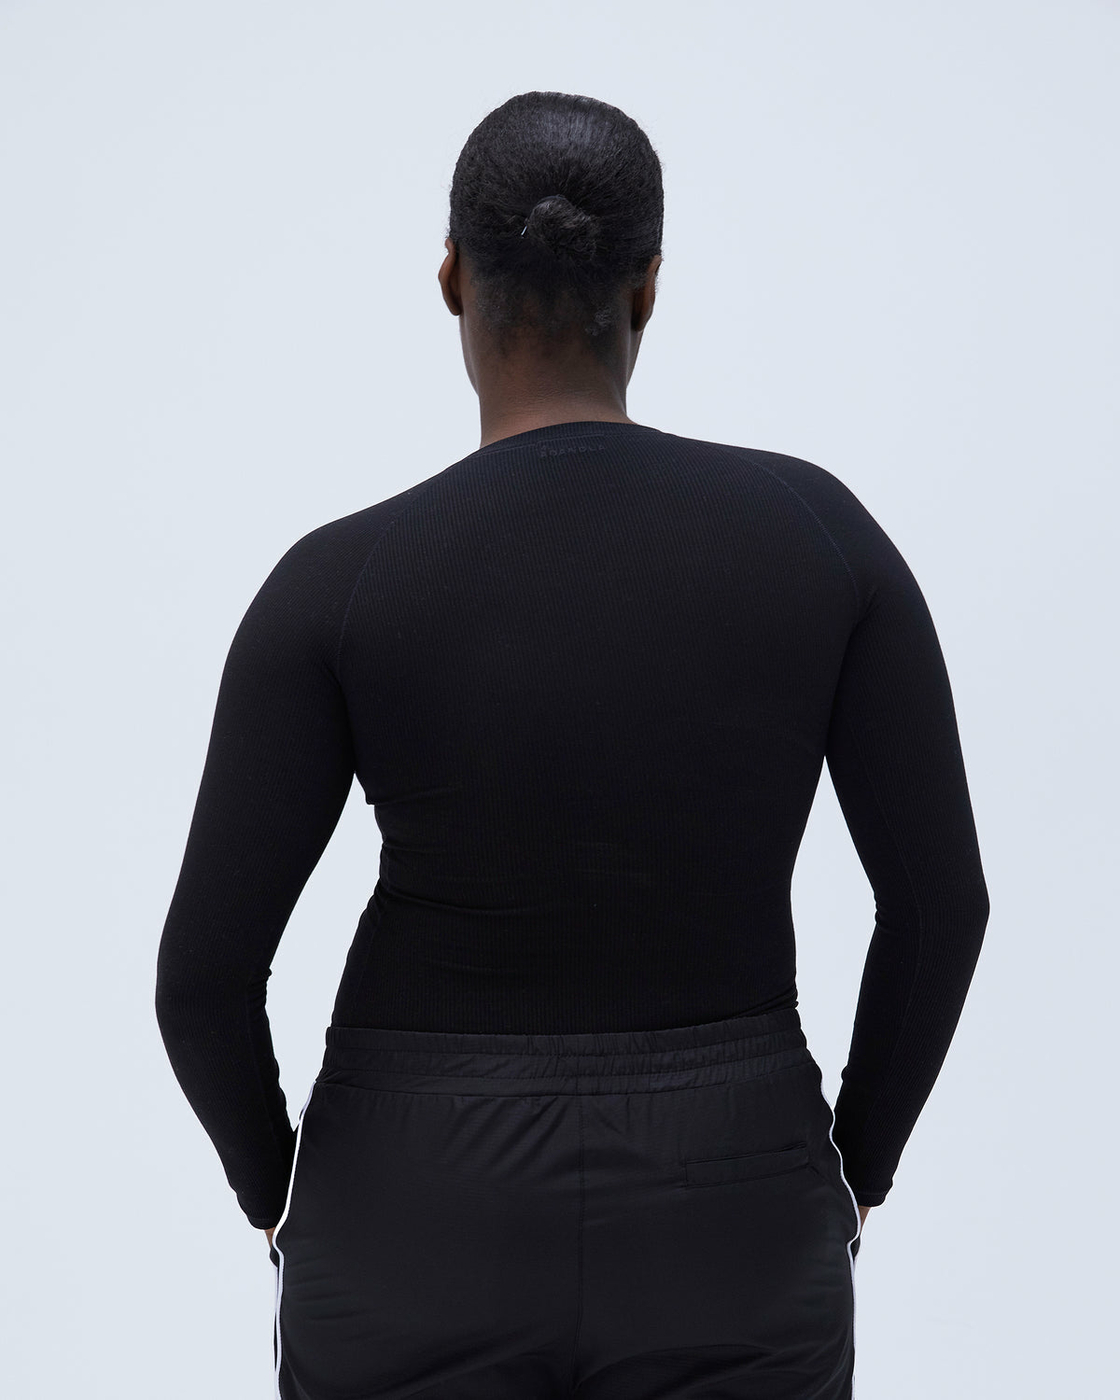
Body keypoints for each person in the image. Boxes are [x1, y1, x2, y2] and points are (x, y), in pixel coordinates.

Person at [155, 90, 990, 1400]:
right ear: (647, 288)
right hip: (732, 1198)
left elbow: (202, 980)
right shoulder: (821, 536)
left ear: (451, 277)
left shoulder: (338, 581)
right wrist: (853, 1173)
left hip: (411, 1205)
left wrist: (285, 1201)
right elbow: (941, 910)